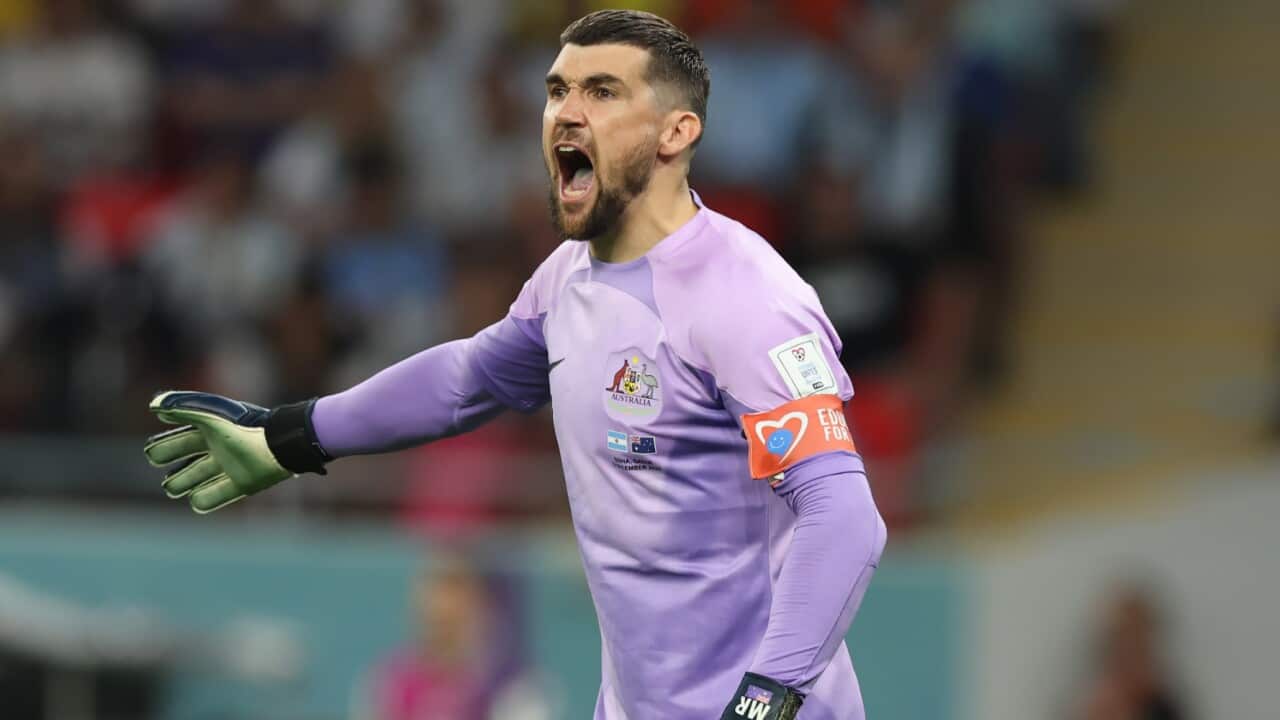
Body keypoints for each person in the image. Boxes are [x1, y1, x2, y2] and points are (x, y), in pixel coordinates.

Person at [143, 10, 886, 720]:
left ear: (675, 132)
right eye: (557, 89)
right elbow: (468, 379)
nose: (565, 112)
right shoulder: (567, 280)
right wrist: (291, 436)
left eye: (602, 92)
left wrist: (763, 703)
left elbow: (844, 517)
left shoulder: (748, 300)